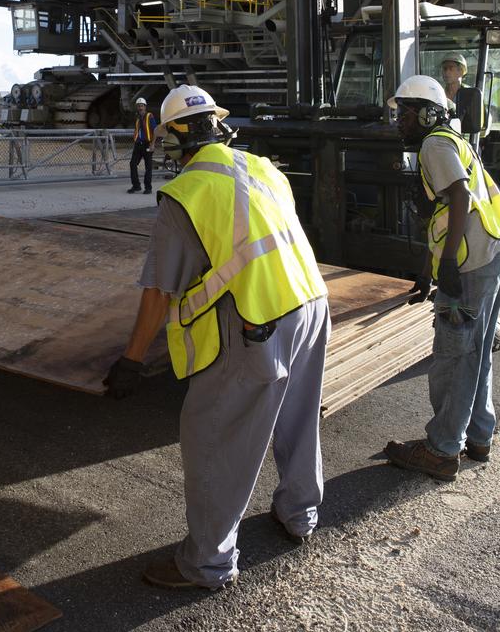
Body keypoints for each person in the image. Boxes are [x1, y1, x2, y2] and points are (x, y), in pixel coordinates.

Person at [104, 85, 331, 590]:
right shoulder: (263, 168)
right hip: (310, 303)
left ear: (172, 139)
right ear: (218, 126)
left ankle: (206, 563)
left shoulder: (185, 194)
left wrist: (131, 361)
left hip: (256, 324)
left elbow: (158, 292)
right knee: (297, 418)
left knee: (213, 435)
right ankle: (300, 515)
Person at [383, 75, 500, 481]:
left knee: (454, 357)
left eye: (403, 113)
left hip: (472, 263)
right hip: (494, 252)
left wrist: (445, 269)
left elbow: (459, 197)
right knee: (476, 354)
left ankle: (442, 450)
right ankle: (478, 437)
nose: (398, 122)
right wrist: (428, 272)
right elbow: (441, 219)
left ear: (426, 112)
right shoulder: (453, 141)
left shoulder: (435, 144)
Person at [127, 97, 157, 194]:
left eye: (142, 106)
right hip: (138, 145)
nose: (140, 107)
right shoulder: (138, 118)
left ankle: (148, 188)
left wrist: (152, 144)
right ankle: (136, 186)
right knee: (132, 164)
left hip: (147, 145)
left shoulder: (149, 116)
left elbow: (155, 131)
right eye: (139, 106)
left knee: (148, 167)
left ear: (145, 106)